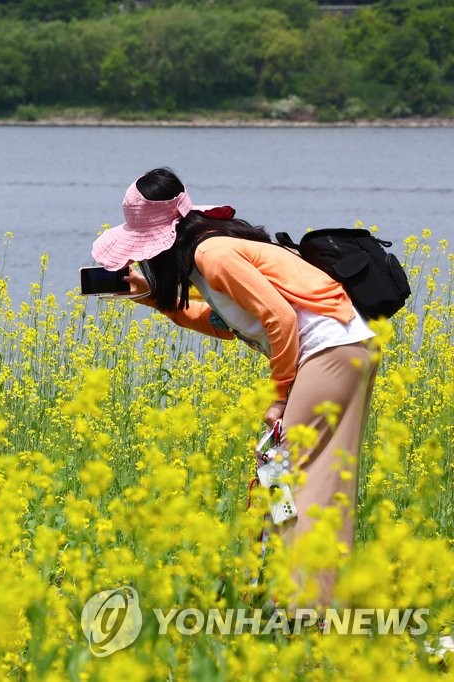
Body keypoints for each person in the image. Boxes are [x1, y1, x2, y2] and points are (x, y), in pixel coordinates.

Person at [92, 168, 378, 608]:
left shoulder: (214, 255)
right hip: (341, 347)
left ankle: (309, 612)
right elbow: (226, 323)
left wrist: (280, 396)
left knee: (299, 481)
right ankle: (316, 605)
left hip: (328, 351)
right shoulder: (208, 256)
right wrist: (156, 300)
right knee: (314, 481)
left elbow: (279, 319)